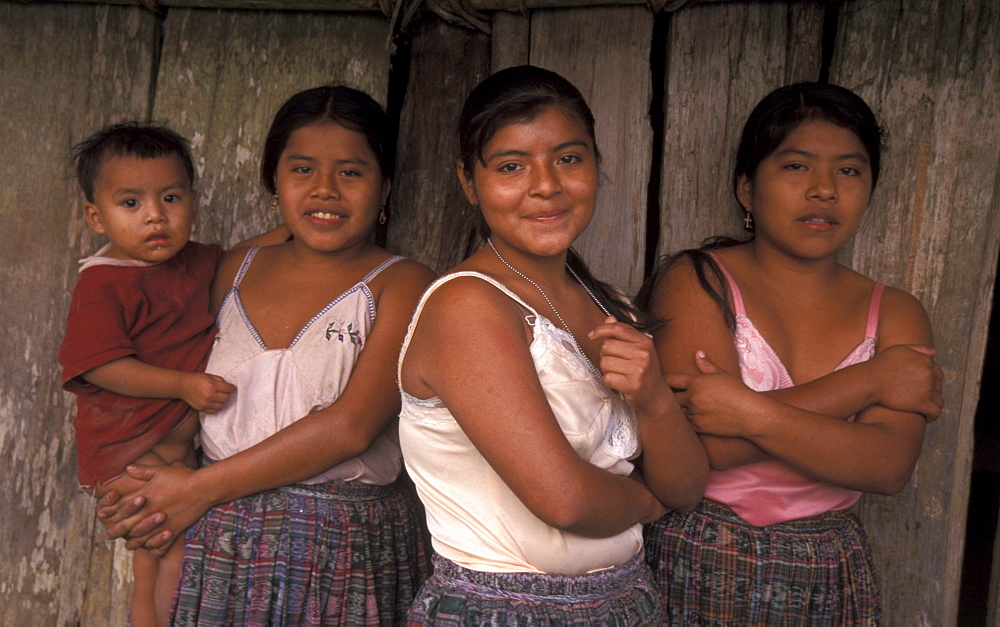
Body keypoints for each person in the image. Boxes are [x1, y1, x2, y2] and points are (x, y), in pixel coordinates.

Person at [94, 86, 435, 625]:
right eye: (301, 170)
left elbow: (351, 427)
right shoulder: (235, 269)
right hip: (217, 543)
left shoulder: (405, 284)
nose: (325, 190)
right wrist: (144, 484)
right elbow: (185, 397)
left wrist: (194, 490)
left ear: (386, 185)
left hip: (341, 548)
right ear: (273, 182)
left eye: (351, 172)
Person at [397, 65, 709, 624]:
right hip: (500, 610)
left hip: (626, 603)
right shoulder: (466, 306)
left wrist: (656, 398)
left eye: (568, 158)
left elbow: (687, 485)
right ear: (469, 181)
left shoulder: (609, 303)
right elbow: (564, 500)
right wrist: (647, 501)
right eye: (512, 166)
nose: (547, 185)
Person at [639, 82, 944, 624]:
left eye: (849, 170)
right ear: (746, 188)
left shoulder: (896, 312)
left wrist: (747, 413)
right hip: (701, 554)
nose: (824, 190)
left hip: (829, 570)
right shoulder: (698, 281)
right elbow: (709, 448)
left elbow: (888, 465)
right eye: (796, 167)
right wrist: (868, 382)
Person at [60, 121, 255, 626]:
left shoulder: (197, 261)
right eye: (131, 204)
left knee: (172, 554)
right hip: (127, 447)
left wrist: (299, 226)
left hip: (177, 452)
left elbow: (250, 255)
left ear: (191, 199)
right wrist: (183, 386)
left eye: (170, 198)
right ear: (95, 217)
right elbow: (101, 365)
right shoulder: (104, 283)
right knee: (163, 556)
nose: (155, 216)